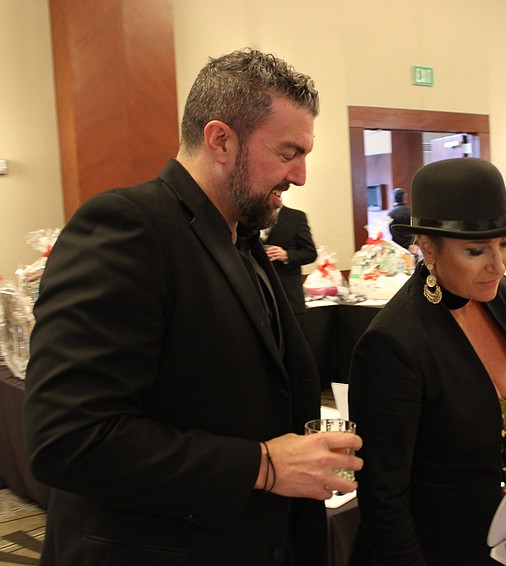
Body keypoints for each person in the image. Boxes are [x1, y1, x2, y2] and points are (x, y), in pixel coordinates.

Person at [23, 48, 362, 566]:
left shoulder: (242, 238)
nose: (300, 176)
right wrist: (263, 465)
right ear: (220, 140)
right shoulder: (128, 227)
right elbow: (68, 440)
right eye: (288, 152)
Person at [348, 158, 506, 566]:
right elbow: (383, 495)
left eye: (505, 244)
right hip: (429, 543)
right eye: (476, 250)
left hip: (492, 525)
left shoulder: (498, 295)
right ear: (427, 247)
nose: (498, 264)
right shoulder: (393, 342)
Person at [264, 203, 317, 314]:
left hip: (288, 293)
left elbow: (310, 253)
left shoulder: (296, 217)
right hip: (260, 292)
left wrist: (286, 255)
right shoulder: (249, 217)